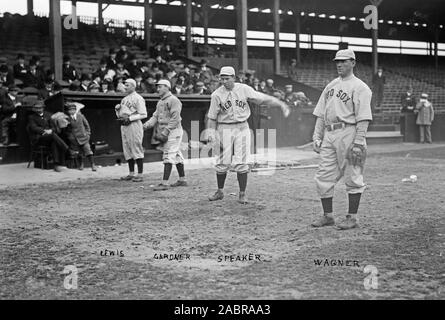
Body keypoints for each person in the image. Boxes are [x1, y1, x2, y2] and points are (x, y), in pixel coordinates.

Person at [206, 66, 290, 204]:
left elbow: (262, 98)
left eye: (227, 78)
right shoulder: (216, 95)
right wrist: (211, 133)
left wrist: (280, 103)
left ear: (234, 77)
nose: (224, 81)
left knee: (241, 162)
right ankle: (220, 191)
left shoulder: (244, 89)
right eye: (222, 78)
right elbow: (212, 117)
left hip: (242, 127)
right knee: (222, 162)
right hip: (224, 127)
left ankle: (242, 194)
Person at [311, 49, 373, 230]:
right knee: (323, 175)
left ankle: (352, 217)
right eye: (337, 61)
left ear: (353, 63)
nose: (339, 64)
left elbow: (363, 117)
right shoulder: (331, 85)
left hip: (350, 132)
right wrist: (317, 136)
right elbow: (321, 114)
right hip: (330, 133)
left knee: (353, 175)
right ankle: (328, 215)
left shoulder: (360, 87)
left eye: (344, 61)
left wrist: (359, 142)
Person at [143, 79, 187, 190]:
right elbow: (155, 116)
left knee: (168, 155)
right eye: (157, 87)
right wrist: (147, 125)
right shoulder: (160, 101)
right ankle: (182, 180)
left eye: (160, 87)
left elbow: (175, 118)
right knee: (176, 155)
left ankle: (164, 183)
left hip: (173, 130)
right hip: (166, 131)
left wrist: (166, 131)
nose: (158, 89)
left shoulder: (174, 100)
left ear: (167, 87)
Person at [27, 100, 78, 172]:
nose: (38, 110)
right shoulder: (31, 117)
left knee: (54, 141)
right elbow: (34, 128)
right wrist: (45, 131)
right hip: (39, 138)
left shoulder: (48, 115)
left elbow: (54, 127)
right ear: (34, 109)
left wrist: (51, 130)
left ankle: (56, 165)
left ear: (43, 108)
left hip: (50, 137)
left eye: (40, 108)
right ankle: (68, 150)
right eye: (37, 108)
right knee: (53, 136)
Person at [115, 78, 147, 182]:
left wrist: (130, 118)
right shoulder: (124, 99)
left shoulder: (138, 98)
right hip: (124, 125)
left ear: (133, 86)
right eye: (125, 85)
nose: (125, 87)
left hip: (134, 125)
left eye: (127, 85)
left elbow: (144, 114)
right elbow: (121, 115)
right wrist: (117, 110)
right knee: (127, 149)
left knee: (136, 148)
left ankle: (140, 174)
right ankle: (131, 173)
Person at [65, 103, 97, 171]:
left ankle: (93, 165)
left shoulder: (81, 116)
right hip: (75, 139)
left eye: (73, 110)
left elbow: (87, 126)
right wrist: (71, 137)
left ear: (75, 110)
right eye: (70, 110)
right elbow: (67, 130)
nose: (71, 111)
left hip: (84, 137)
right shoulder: (67, 119)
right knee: (79, 153)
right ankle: (81, 165)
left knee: (88, 151)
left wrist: (88, 134)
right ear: (68, 111)